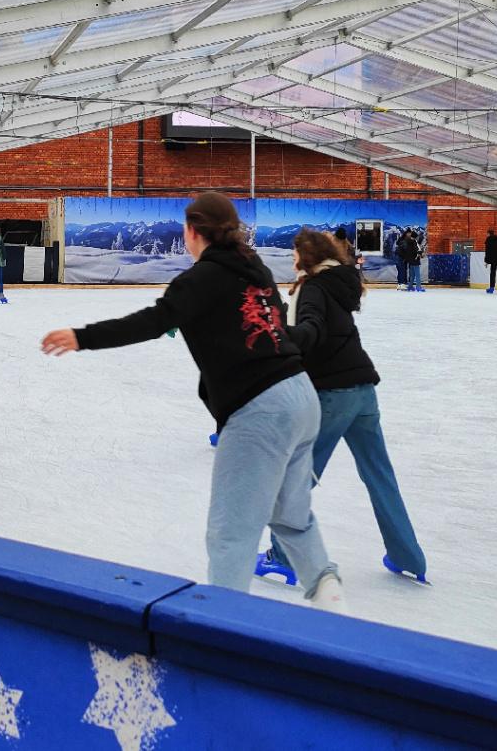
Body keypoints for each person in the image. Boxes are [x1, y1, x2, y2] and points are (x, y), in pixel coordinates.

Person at [41, 192, 345, 611]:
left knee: (231, 533)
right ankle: (330, 598)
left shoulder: (203, 277)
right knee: (291, 515)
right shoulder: (254, 268)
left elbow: (152, 321)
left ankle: (223, 631)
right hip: (301, 396)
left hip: (260, 408)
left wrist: (83, 337)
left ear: (191, 232)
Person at [260, 229, 427, 585]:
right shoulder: (340, 283)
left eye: (294, 255)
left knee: (296, 476)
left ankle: (284, 556)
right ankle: (407, 555)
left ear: (307, 257)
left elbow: (311, 330)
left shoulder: (314, 288)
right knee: (380, 475)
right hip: (364, 393)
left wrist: (278, 334)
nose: (291, 261)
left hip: (332, 396)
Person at [483, 229, 497, 294]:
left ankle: (492, 287)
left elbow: (488, 251)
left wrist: (486, 261)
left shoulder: (489, 240)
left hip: (493, 259)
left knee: (493, 273)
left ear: (488, 234)